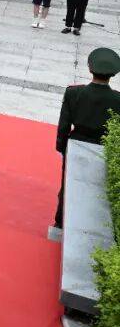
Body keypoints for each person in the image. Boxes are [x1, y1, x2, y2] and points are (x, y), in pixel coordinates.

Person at [54, 48, 120, 229]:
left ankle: (61, 222)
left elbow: (64, 124)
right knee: (97, 186)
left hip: (76, 142)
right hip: (103, 145)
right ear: (113, 74)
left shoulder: (74, 93)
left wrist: (62, 146)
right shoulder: (117, 99)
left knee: (68, 184)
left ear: (90, 69)